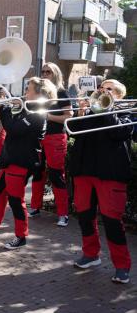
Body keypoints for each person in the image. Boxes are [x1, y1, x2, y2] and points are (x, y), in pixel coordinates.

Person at [0, 77, 54, 250]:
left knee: (15, 200)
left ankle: (21, 236)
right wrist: (4, 107)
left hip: (21, 161)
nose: (26, 92)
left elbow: (13, 128)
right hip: (10, 159)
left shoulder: (38, 113)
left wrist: (4, 109)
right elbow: (10, 123)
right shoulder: (27, 108)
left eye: (29, 89)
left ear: (39, 93)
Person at [69, 79, 133, 284]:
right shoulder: (91, 112)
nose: (102, 91)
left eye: (109, 89)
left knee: (112, 221)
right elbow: (74, 132)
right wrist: (81, 112)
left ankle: (122, 266)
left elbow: (119, 132)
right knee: (85, 215)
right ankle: (91, 255)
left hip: (110, 173)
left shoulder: (127, 114)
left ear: (119, 96)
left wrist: (108, 108)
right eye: (101, 88)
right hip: (85, 171)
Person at [29, 62, 73, 227]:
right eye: (43, 71)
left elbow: (69, 116)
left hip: (55, 136)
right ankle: (34, 207)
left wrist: (48, 117)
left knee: (56, 175)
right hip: (39, 136)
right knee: (38, 172)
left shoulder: (62, 92)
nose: (45, 74)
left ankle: (63, 214)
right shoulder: (40, 93)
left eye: (49, 72)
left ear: (56, 74)